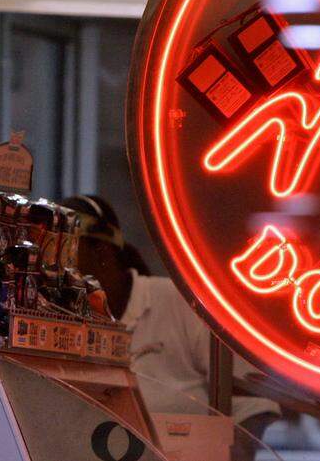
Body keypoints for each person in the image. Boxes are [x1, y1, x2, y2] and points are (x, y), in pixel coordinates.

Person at [62, 194, 280, 461]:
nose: (58, 266)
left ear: (102, 251)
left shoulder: (177, 303)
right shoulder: (62, 324)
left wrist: (232, 451)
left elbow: (256, 402)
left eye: (65, 250)